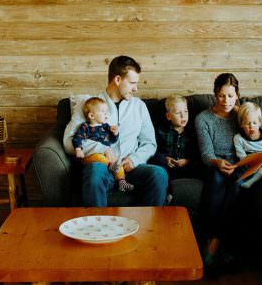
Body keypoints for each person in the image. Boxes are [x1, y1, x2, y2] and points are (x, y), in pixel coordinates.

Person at [195, 73, 262, 267]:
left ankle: (216, 244)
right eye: (221, 95)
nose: (226, 101)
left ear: (237, 94)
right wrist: (218, 163)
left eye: (230, 95)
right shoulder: (203, 119)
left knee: (238, 188)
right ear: (214, 94)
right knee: (217, 181)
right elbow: (206, 154)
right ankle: (209, 242)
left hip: (243, 165)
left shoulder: (245, 114)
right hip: (216, 165)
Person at [63, 55, 168, 207]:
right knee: (95, 172)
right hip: (102, 166)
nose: (136, 88)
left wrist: (135, 159)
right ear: (118, 80)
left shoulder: (139, 107)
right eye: (132, 83)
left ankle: (149, 228)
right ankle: (97, 227)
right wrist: (103, 150)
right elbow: (68, 141)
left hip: (131, 168)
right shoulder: (88, 104)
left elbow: (149, 143)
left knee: (159, 174)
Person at [72, 97, 135, 192]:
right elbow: (78, 137)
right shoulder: (86, 127)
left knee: (118, 162)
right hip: (92, 156)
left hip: (107, 157)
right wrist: (78, 149)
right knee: (100, 158)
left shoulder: (106, 127)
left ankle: (121, 182)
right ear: (91, 115)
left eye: (106, 112)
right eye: (103, 112)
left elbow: (112, 141)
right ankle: (111, 167)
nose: (106, 114)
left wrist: (115, 134)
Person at [151, 95, 202, 181]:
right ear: (168, 116)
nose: (183, 116)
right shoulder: (161, 131)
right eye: (178, 113)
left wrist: (187, 162)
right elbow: (154, 151)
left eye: (186, 111)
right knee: (159, 161)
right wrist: (165, 159)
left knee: (200, 165)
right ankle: (168, 190)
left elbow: (197, 154)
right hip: (168, 167)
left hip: (187, 167)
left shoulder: (192, 133)